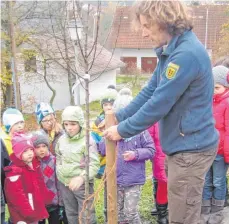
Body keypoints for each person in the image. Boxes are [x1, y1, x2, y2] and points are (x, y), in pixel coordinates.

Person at [103, 1, 219, 223]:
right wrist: (120, 116)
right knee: (181, 212)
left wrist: (122, 130)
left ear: (163, 20)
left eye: (147, 26)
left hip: (191, 150)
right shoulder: (172, 51)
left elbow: (159, 103)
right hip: (181, 146)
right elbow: (150, 91)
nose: (144, 34)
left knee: (182, 218)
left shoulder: (185, 55)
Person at [98, 88, 155, 224]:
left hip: (133, 181)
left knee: (130, 213)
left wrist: (135, 154)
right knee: (117, 213)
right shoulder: (113, 131)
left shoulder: (141, 132)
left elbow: (151, 150)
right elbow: (102, 150)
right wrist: (104, 135)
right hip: (116, 181)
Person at [55, 106, 100, 224]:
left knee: (86, 215)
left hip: (81, 185)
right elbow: (58, 156)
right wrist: (60, 172)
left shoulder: (87, 140)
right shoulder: (61, 140)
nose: (69, 128)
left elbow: (94, 164)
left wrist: (81, 177)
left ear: (80, 123)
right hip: (65, 184)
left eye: (73, 124)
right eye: (66, 124)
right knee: (71, 213)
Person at [4, 133, 54, 224]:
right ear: (18, 152)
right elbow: (16, 196)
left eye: (31, 149)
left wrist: (47, 198)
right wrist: (28, 212)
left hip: (34, 209)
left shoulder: (33, 165)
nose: (30, 153)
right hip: (24, 215)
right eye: (25, 151)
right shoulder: (14, 171)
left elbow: (40, 184)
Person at [201, 65, 229, 224]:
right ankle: (205, 210)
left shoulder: (227, 103)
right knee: (205, 180)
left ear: (226, 87)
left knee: (218, 181)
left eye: (216, 87)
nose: (213, 90)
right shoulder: (208, 101)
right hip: (206, 150)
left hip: (219, 152)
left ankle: (217, 212)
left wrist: (227, 154)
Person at [33, 131, 67, 224]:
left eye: (44, 146)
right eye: (38, 147)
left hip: (54, 203)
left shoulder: (54, 161)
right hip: (38, 205)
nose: (41, 150)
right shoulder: (31, 164)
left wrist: (61, 202)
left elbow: (59, 183)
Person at [148, 124, 168, 224]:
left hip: (177, 155)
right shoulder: (156, 118)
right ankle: (162, 214)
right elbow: (149, 138)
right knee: (162, 184)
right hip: (160, 156)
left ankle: (170, 211)